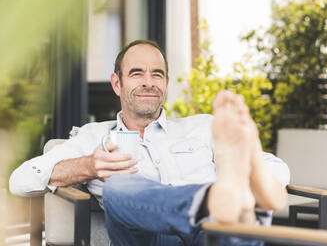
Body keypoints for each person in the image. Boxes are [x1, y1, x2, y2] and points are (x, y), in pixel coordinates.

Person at [9, 39, 290, 245]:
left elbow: (277, 166)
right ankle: (212, 199)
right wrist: (89, 166)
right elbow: (20, 180)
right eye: (136, 73)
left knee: (235, 217)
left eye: (157, 74)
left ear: (166, 83)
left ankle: (231, 197)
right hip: (146, 238)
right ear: (117, 84)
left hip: (210, 230)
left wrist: (250, 187)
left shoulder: (203, 126)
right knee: (118, 186)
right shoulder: (94, 136)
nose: (149, 82)